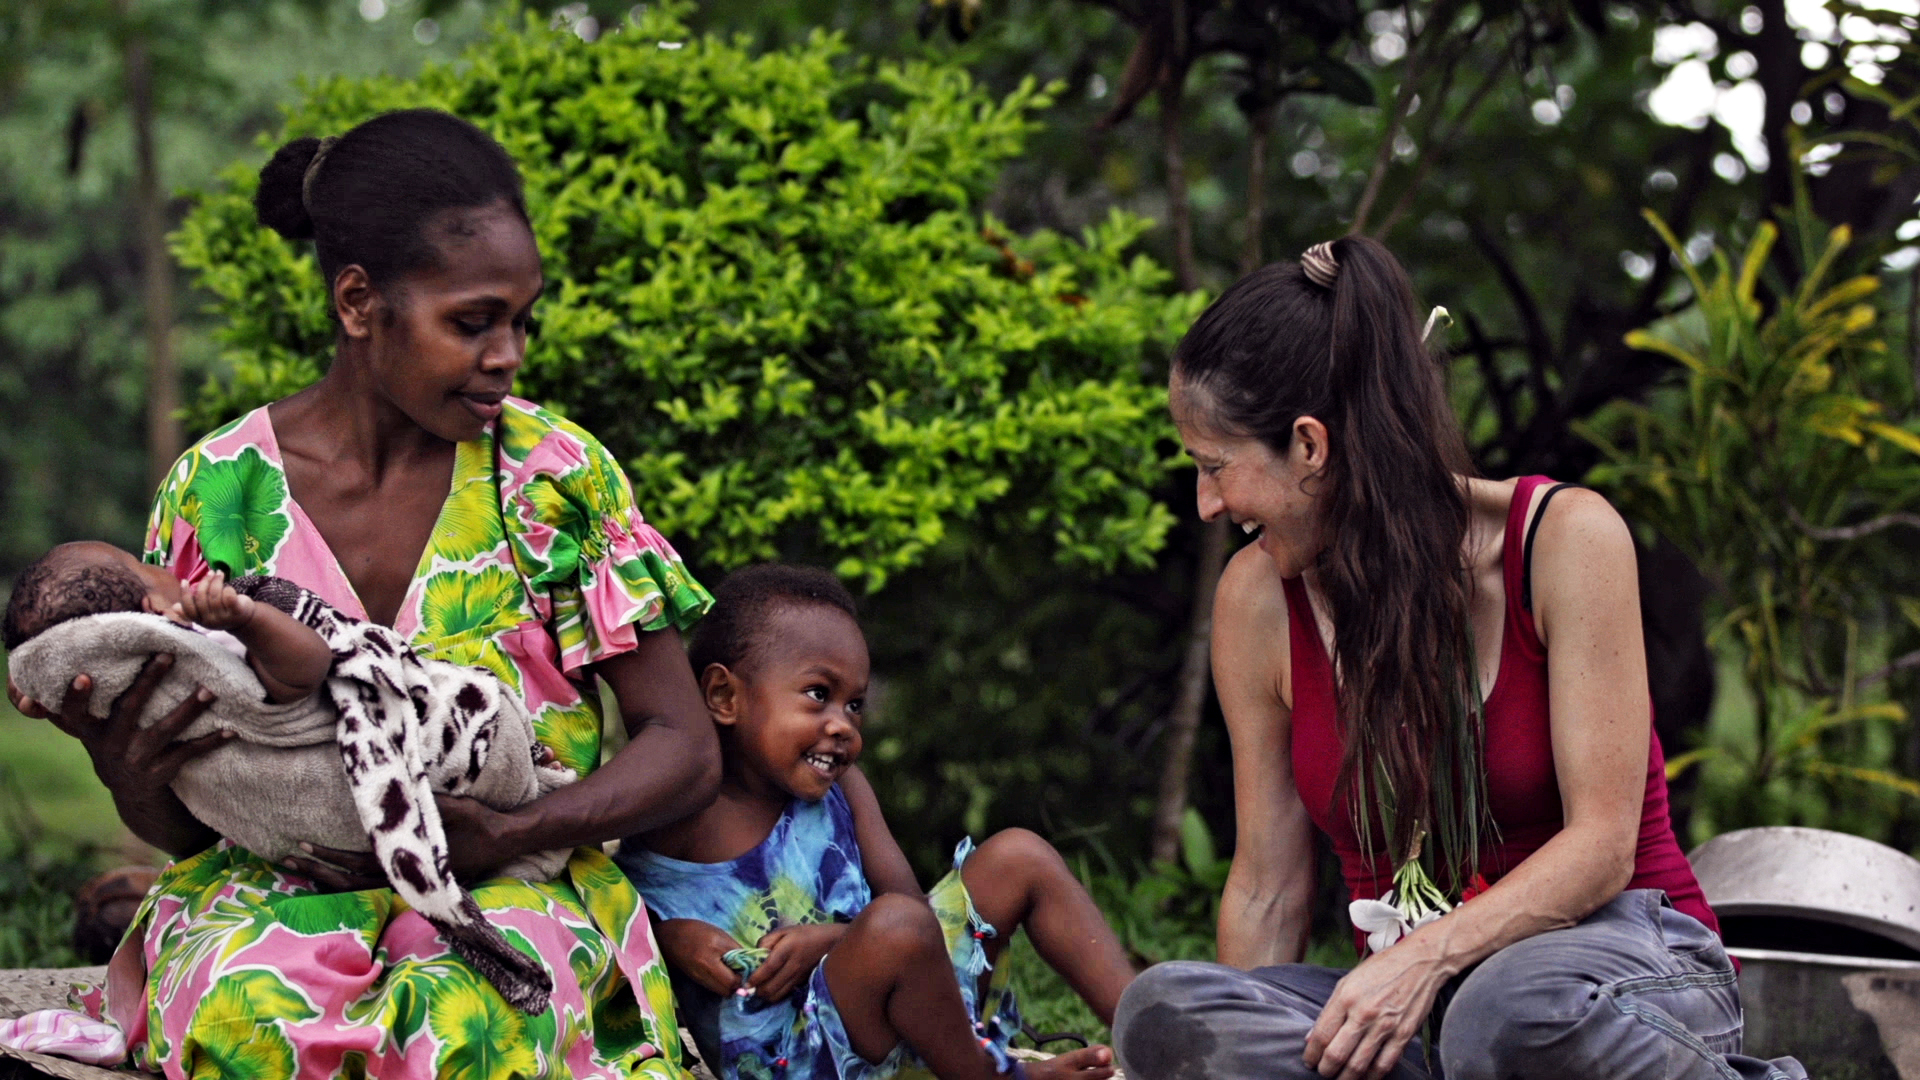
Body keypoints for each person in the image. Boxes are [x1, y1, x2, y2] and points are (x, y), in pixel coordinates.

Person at [8, 108, 719, 1080]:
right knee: (255, 1012)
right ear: (357, 303)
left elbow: (683, 745)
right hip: (276, 898)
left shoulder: (555, 479)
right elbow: (193, 811)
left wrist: (515, 832)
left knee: (466, 1019)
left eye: (521, 318)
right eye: (472, 322)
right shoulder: (217, 491)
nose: (509, 352)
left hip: (509, 882)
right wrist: (126, 771)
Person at [1109, 238, 1807, 1080]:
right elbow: (1268, 888)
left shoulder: (1562, 542)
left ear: (1309, 445)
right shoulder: (1255, 602)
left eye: (1216, 466)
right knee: (1164, 1011)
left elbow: (1601, 848)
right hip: (1430, 1013)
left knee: (1507, 1014)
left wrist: (1429, 956)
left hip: (1616, 971)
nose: (1208, 504)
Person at [618, 564, 1133, 1080]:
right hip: (790, 1058)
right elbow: (604, 912)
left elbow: (914, 918)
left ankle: (1153, 1028)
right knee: (894, 927)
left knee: (1018, 857)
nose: (842, 724)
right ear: (725, 697)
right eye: (819, 694)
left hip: (912, 1014)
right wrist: (667, 939)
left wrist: (830, 940)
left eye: (855, 704)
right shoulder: (684, 807)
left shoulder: (844, 788)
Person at [5, 546, 330, 703]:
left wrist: (45, 696)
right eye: (142, 563)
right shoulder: (209, 648)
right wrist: (247, 620)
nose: (160, 564)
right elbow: (311, 668)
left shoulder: (116, 707)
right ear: (156, 607)